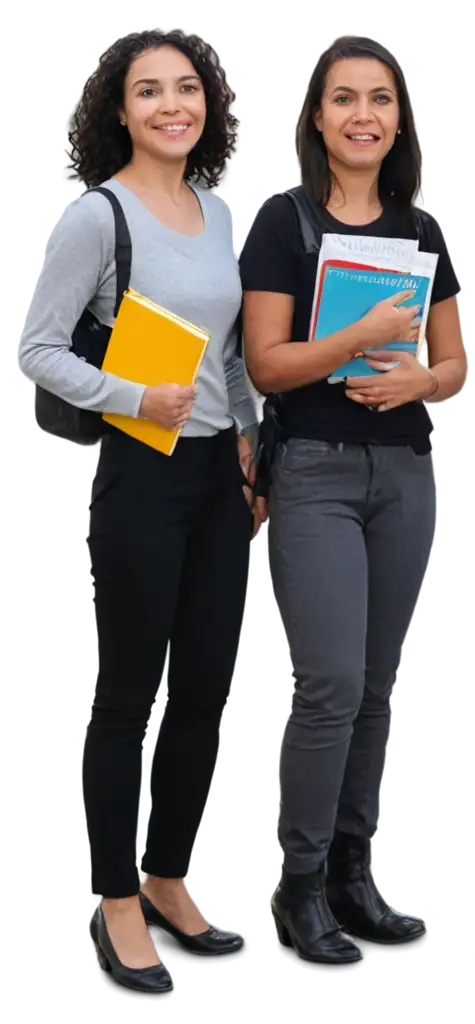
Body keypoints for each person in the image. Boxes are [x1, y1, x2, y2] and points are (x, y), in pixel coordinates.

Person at [16, 33, 259, 994]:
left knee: (205, 685)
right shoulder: (96, 218)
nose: (171, 105)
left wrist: (246, 435)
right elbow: (37, 349)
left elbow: (233, 352)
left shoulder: (225, 213)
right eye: (148, 91)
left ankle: (169, 874)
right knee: (130, 697)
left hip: (216, 475)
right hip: (142, 467)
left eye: (187, 88)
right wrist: (127, 395)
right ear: (119, 111)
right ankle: (117, 898)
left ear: (208, 105)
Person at [239, 36, 465, 965]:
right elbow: (267, 363)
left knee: (375, 688)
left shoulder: (424, 231)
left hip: (403, 474)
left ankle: (354, 880)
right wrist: (359, 338)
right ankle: (298, 886)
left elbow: (454, 364)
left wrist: (421, 380)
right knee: (326, 683)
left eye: (379, 99)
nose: (363, 115)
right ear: (319, 118)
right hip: (316, 475)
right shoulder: (280, 223)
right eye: (344, 99)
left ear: (398, 118)